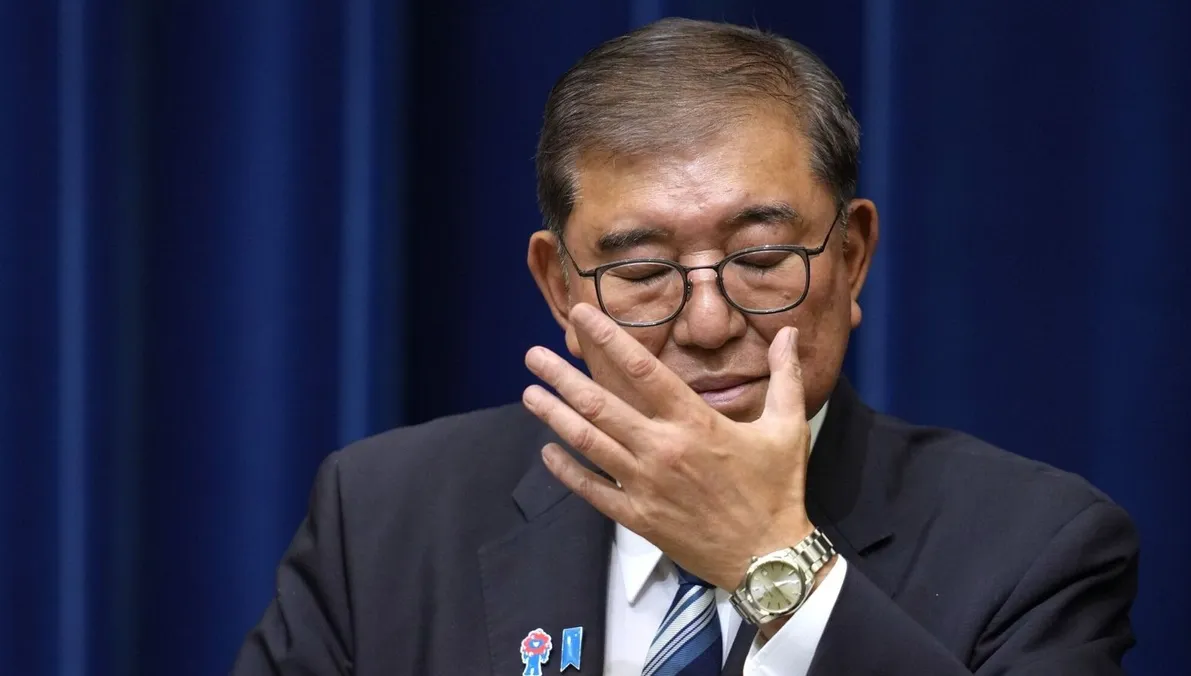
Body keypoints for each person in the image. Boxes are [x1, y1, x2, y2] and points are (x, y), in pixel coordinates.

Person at [232, 17, 1137, 675]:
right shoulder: (384, 518)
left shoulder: (1034, 547)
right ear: (559, 287)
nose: (708, 324)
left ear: (853, 258)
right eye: (642, 272)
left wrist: (772, 561)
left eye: (763, 259)